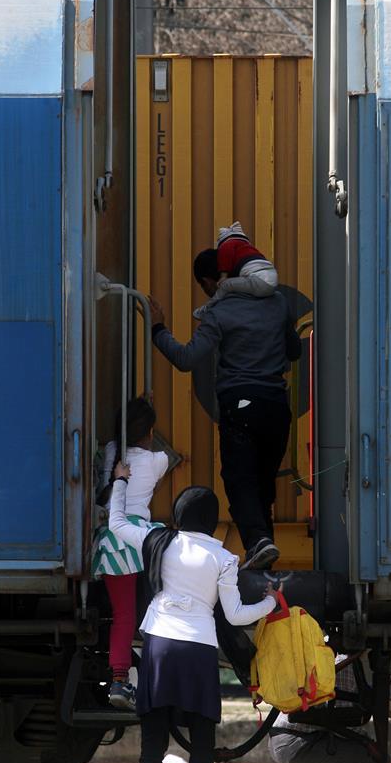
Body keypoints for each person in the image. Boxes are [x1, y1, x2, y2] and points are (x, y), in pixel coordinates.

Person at [108, 464, 280, 763]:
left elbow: (117, 525)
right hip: (200, 649)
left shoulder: (159, 540)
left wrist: (121, 481)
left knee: (154, 732)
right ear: (213, 520)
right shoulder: (224, 558)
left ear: (180, 514)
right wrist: (270, 603)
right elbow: (234, 616)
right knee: (202, 737)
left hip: (159, 644)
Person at [148, 250, 301, 572]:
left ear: (208, 281)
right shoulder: (277, 303)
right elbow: (295, 350)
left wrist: (157, 328)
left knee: (238, 479)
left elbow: (186, 359)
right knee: (262, 484)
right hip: (276, 406)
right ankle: (263, 556)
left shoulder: (219, 311)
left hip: (242, 404)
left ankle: (258, 542)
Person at [92, 398, 168, 711]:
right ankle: (156, 676)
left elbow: (101, 484)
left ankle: (120, 679)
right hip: (144, 542)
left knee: (123, 616)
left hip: (111, 539)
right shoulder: (158, 459)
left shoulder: (110, 453)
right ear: (149, 431)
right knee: (157, 613)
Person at [269, 654, 389, 763]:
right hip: (299, 745)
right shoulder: (345, 665)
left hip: (285, 739)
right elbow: (341, 715)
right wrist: (366, 742)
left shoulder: (328, 656)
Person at [193, 221, 278, 319]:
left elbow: (226, 255)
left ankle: (205, 310)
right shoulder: (279, 301)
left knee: (225, 285)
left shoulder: (221, 314)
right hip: (271, 279)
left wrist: (223, 277)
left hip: (259, 281)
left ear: (206, 282)